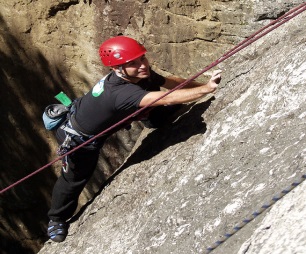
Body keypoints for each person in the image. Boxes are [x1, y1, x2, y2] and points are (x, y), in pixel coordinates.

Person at [47, 35, 222, 242]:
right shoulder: (120, 93)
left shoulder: (138, 75)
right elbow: (166, 96)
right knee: (74, 180)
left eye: (142, 59)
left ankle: (150, 117)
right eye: (133, 63)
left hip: (105, 119)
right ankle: (56, 219)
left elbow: (171, 84)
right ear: (117, 69)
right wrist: (207, 89)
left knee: (160, 98)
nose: (142, 66)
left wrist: (199, 85)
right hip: (80, 139)